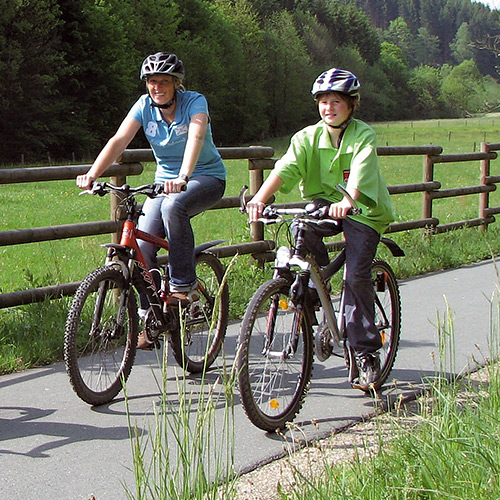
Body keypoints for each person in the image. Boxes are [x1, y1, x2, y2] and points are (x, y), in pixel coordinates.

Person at [246, 67, 395, 390]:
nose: (329, 107)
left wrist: (349, 199)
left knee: (356, 276)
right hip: (322, 205)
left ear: (352, 105)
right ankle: (315, 293)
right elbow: (286, 168)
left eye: (337, 101)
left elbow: (361, 167)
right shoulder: (307, 137)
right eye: (323, 101)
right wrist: (259, 198)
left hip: (362, 209)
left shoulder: (362, 134)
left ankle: (367, 354)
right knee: (302, 232)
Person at [76, 52, 226, 349]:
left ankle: (183, 285)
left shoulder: (195, 101)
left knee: (174, 206)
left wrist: (183, 176)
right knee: (141, 247)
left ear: (176, 83)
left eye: (163, 81)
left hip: (205, 177)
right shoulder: (144, 106)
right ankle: (151, 316)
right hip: (163, 183)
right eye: (152, 81)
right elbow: (119, 140)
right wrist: (92, 173)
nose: (157, 87)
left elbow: (196, 137)